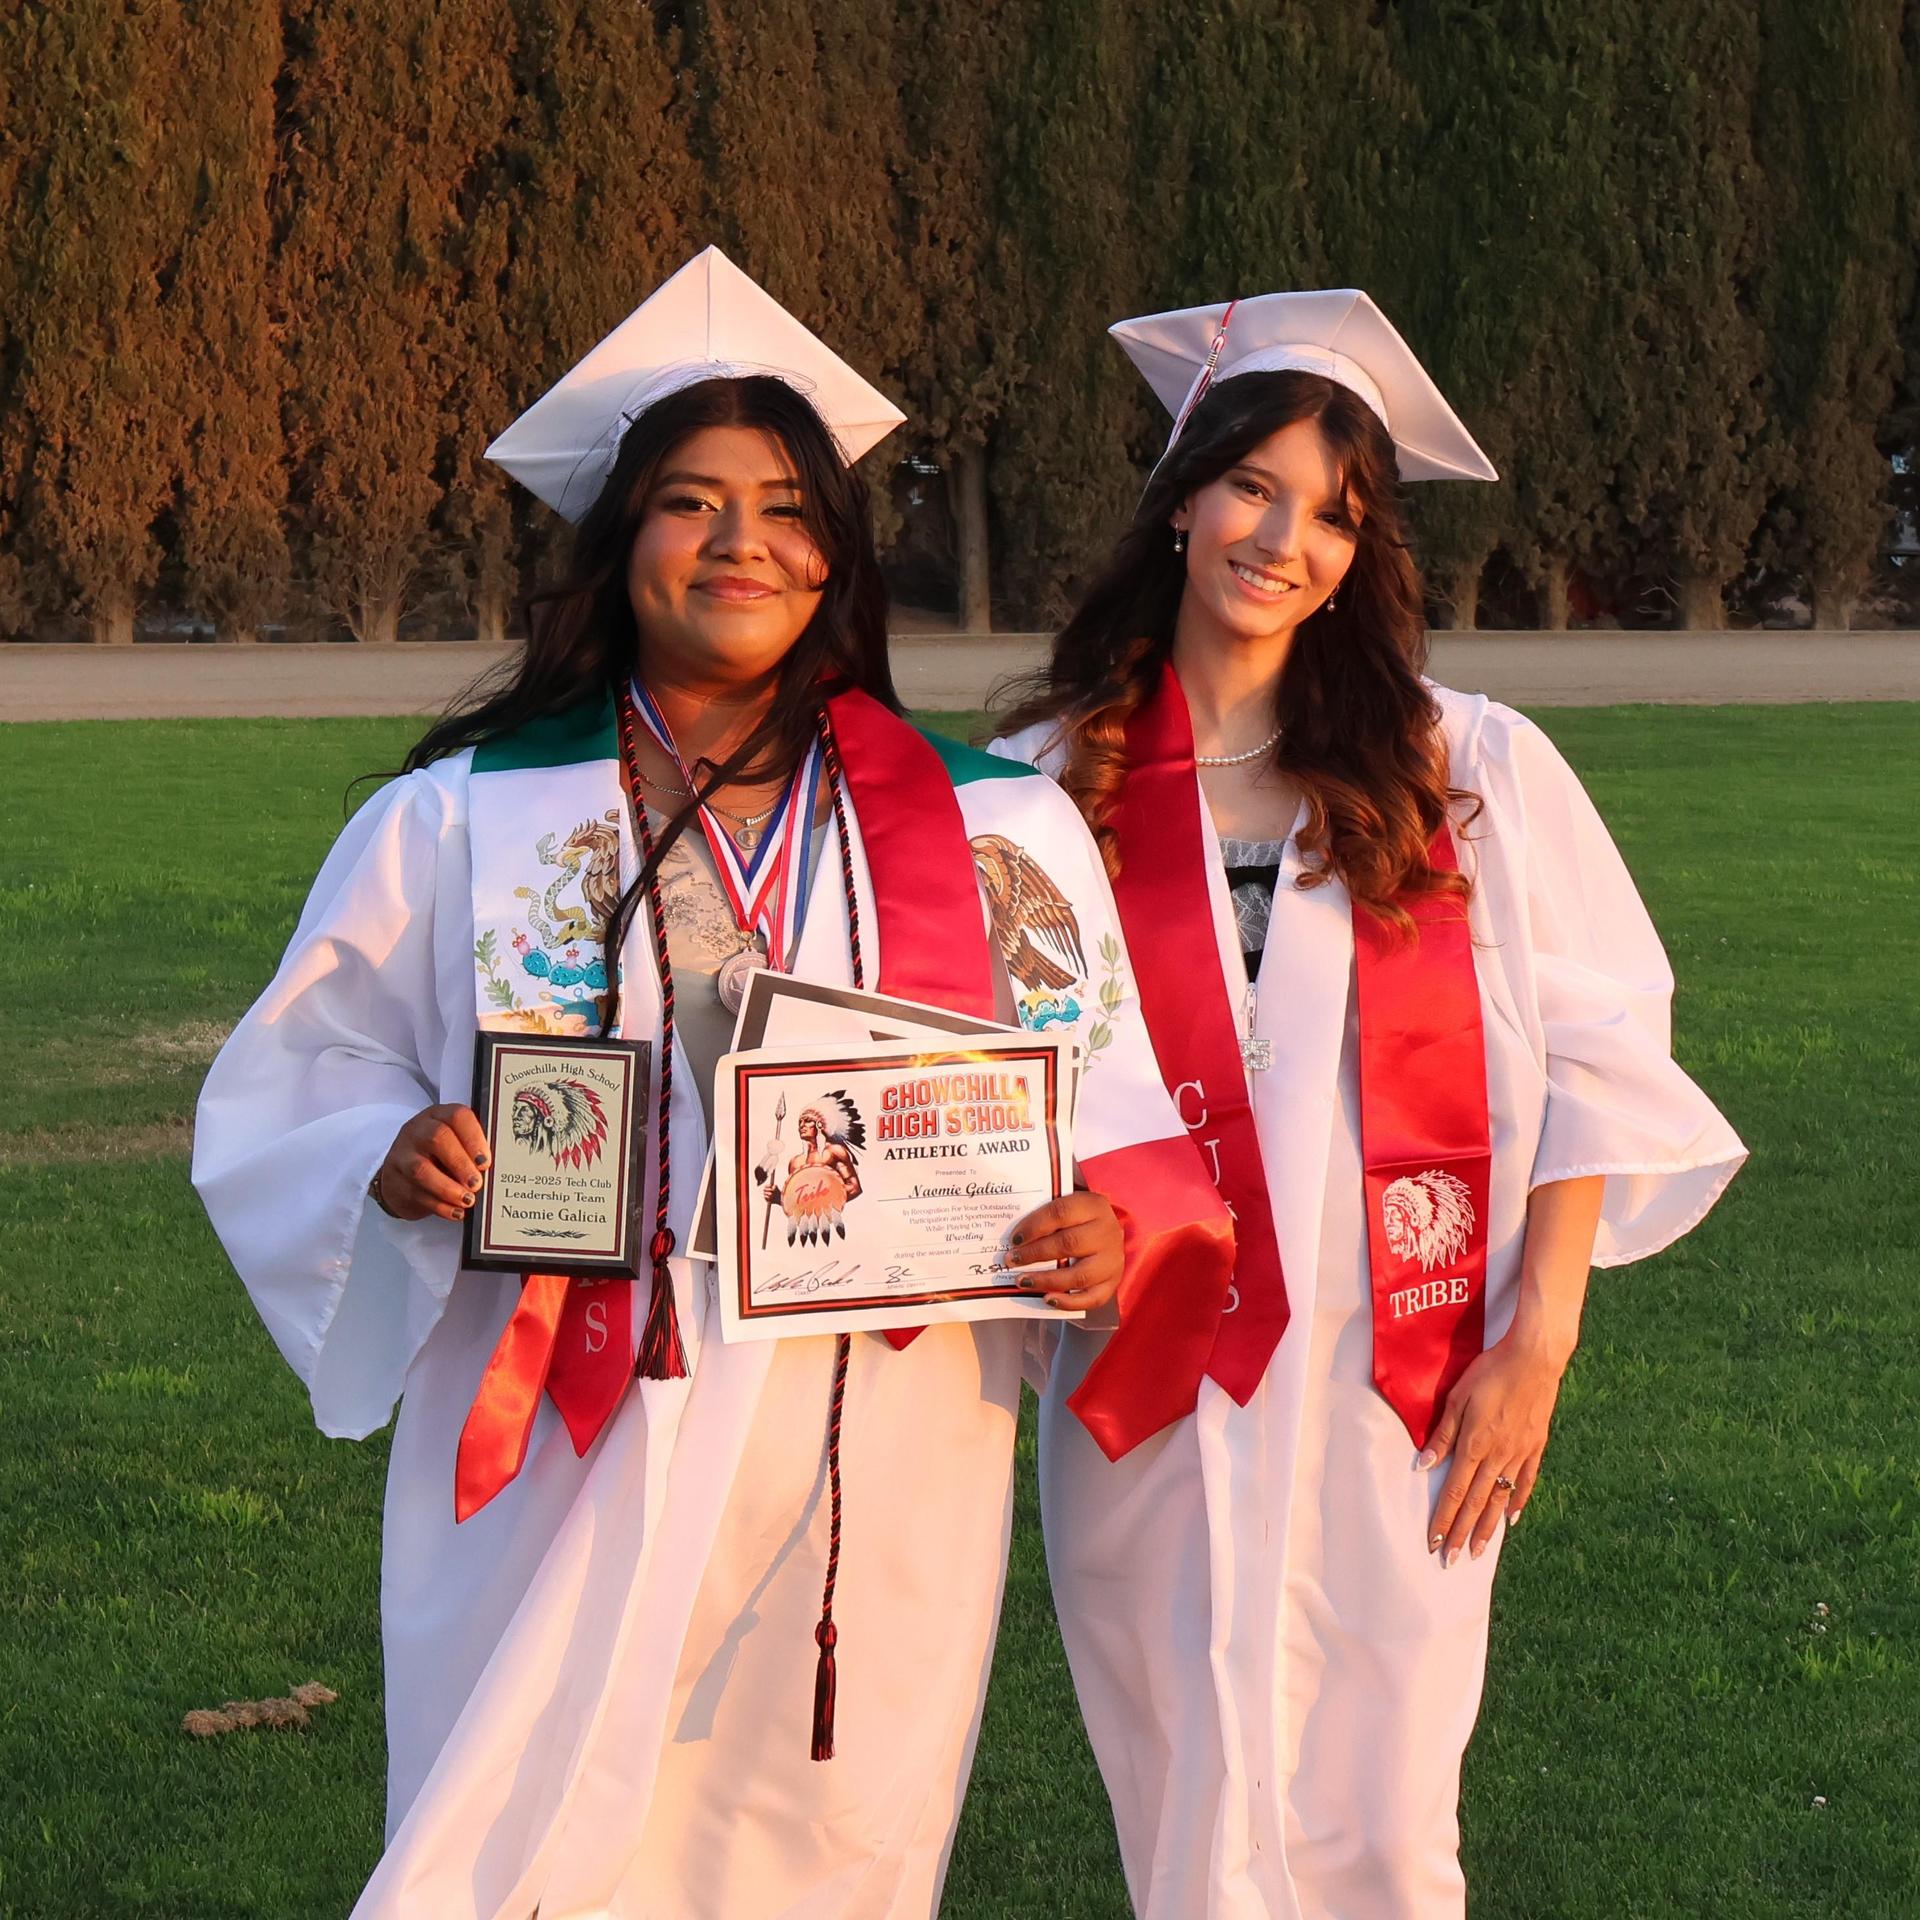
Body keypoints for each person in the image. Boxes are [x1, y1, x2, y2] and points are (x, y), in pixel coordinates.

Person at [192, 247, 1231, 1920]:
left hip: (869, 1437)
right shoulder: (456, 821)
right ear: (621, 549)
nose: (740, 542)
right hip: (557, 1418)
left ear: (838, 555)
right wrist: (393, 1152)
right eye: (689, 503)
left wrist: (1099, 1233)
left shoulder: (994, 832)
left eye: (784, 507)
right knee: (517, 1836)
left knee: (815, 1845)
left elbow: (1102, 1113)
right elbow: (297, 1080)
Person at [992, 288, 1747, 1919]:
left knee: (1393, 1826)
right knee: (1186, 1814)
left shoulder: (1462, 769)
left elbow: (1604, 1063)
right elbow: (982, 1094)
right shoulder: (1054, 788)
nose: (1286, 539)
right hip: (1149, 1381)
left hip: (1403, 1383)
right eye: (1255, 485)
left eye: (1336, 513)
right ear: (1182, 494)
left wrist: (1536, 1344)